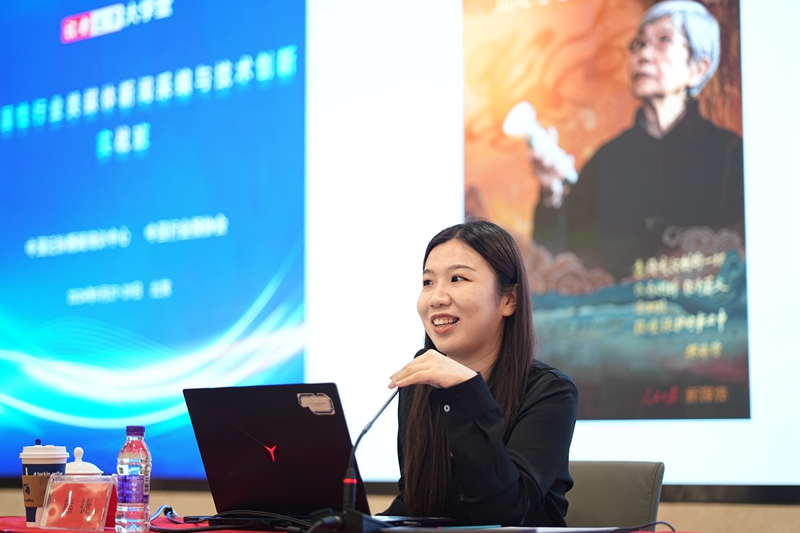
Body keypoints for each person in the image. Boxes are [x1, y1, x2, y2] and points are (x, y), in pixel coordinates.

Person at [382, 220, 578, 526]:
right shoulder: (420, 387)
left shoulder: (551, 392)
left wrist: (467, 393)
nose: (436, 298)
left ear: (509, 299)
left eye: (457, 278)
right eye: (428, 282)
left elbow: (505, 515)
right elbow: (414, 504)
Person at [531, 1, 745, 280]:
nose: (643, 54)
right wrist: (552, 194)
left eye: (664, 40)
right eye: (639, 44)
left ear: (698, 69)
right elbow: (560, 259)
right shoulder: (607, 160)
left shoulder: (730, 156)